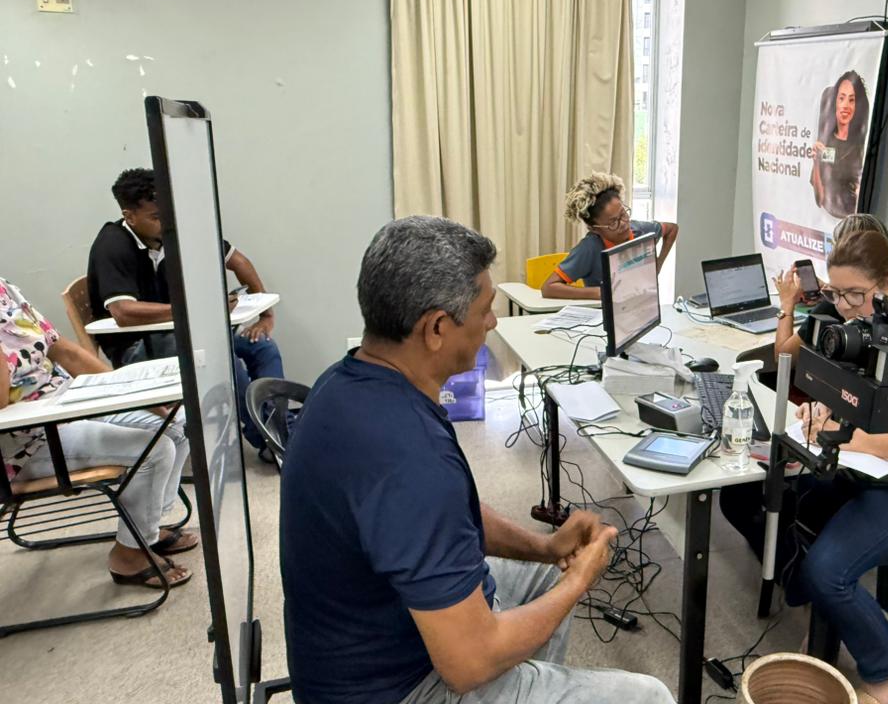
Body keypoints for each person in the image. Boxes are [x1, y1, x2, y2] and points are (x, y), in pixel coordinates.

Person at [280, 216, 675, 704]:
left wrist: (549, 548)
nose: (492, 322)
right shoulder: (408, 456)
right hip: (392, 688)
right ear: (437, 328)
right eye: (485, 309)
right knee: (649, 696)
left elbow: (443, 518)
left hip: (360, 642)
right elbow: (470, 663)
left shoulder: (348, 383)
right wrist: (580, 580)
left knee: (545, 574)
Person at [719, 230, 888, 704]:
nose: (846, 305)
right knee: (746, 497)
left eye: (856, 294)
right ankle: (819, 604)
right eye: (836, 293)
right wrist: (825, 414)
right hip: (857, 466)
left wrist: (863, 440)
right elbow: (850, 393)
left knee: (830, 568)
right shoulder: (852, 326)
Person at [2, 277, 197, 589]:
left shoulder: (5, 290)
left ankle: (145, 529)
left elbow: (62, 350)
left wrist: (132, 392)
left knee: (178, 422)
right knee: (154, 451)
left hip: (64, 407)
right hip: (24, 443)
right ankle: (128, 557)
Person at [86, 168, 285, 458]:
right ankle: (270, 440)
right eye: (155, 217)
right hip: (138, 345)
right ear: (129, 217)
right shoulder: (113, 244)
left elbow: (238, 261)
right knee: (218, 356)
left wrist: (265, 316)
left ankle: (280, 431)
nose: (165, 222)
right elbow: (123, 312)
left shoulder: (174, 232)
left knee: (263, 348)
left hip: (183, 333)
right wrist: (196, 310)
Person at [539, 172, 678, 300]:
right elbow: (548, 288)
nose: (623, 224)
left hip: (640, 308)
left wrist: (658, 265)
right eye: (613, 223)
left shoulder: (640, 230)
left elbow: (671, 229)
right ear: (594, 228)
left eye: (623, 214)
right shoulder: (590, 248)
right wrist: (601, 292)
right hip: (603, 317)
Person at [810, 70, 871, 218]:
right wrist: (817, 163)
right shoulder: (826, 143)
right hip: (829, 223)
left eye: (851, 100)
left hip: (853, 224)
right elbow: (820, 200)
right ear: (835, 101)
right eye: (841, 98)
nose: (845, 106)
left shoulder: (861, 147)